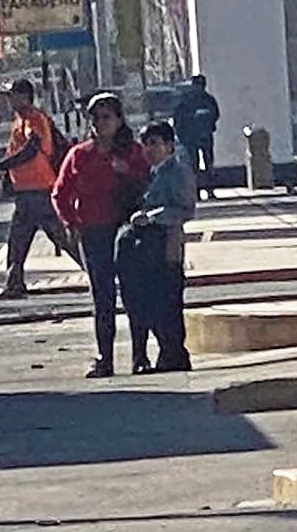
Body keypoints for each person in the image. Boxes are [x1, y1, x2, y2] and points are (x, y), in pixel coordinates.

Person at [51, 93, 149, 379]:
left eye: (106, 117)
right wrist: (71, 223)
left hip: (127, 230)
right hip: (93, 232)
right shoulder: (80, 155)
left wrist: (127, 171)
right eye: (94, 118)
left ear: (119, 120)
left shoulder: (134, 152)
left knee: (134, 294)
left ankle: (140, 357)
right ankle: (104, 358)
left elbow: (151, 185)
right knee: (102, 297)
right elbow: (60, 193)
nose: (100, 123)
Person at [116, 121, 197, 373]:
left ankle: (173, 355)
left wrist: (152, 216)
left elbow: (185, 209)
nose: (149, 150)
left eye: (155, 144)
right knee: (147, 302)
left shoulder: (177, 172)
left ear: (169, 146)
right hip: (145, 249)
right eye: (146, 144)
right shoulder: (152, 173)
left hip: (166, 247)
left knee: (168, 304)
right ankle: (161, 354)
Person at [0, 79, 81, 298]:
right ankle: (14, 283)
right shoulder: (21, 120)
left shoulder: (34, 119)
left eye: (12, 95)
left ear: (24, 96)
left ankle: (102, 274)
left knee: (62, 237)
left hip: (40, 191)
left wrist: (2, 165)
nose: (9, 100)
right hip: (28, 192)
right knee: (18, 239)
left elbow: (32, 149)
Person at [172, 75, 221, 200]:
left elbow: (214, 115)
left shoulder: (194, 100)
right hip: (195, 136)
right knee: (198, 164)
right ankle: (202, 190)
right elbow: (179, 118)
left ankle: (203, 190)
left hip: (198, 136)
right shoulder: (201, 100)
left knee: (202, 164)